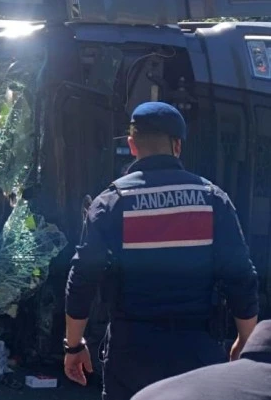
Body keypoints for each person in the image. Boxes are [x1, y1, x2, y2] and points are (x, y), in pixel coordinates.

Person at [63, 101, 259, 400]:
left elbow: (82, 279)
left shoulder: (112, 202)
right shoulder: (212, 199)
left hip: (131, 354)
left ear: (132, 145)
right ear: (177, 145)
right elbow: (241, 276)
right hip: (198, 352)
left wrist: (74, 346)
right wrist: (246, 338)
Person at [131, 319, 271, 400]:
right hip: (198, 349)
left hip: (129, 346)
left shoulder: (150, 395)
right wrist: (244, 338)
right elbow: (240, 281)